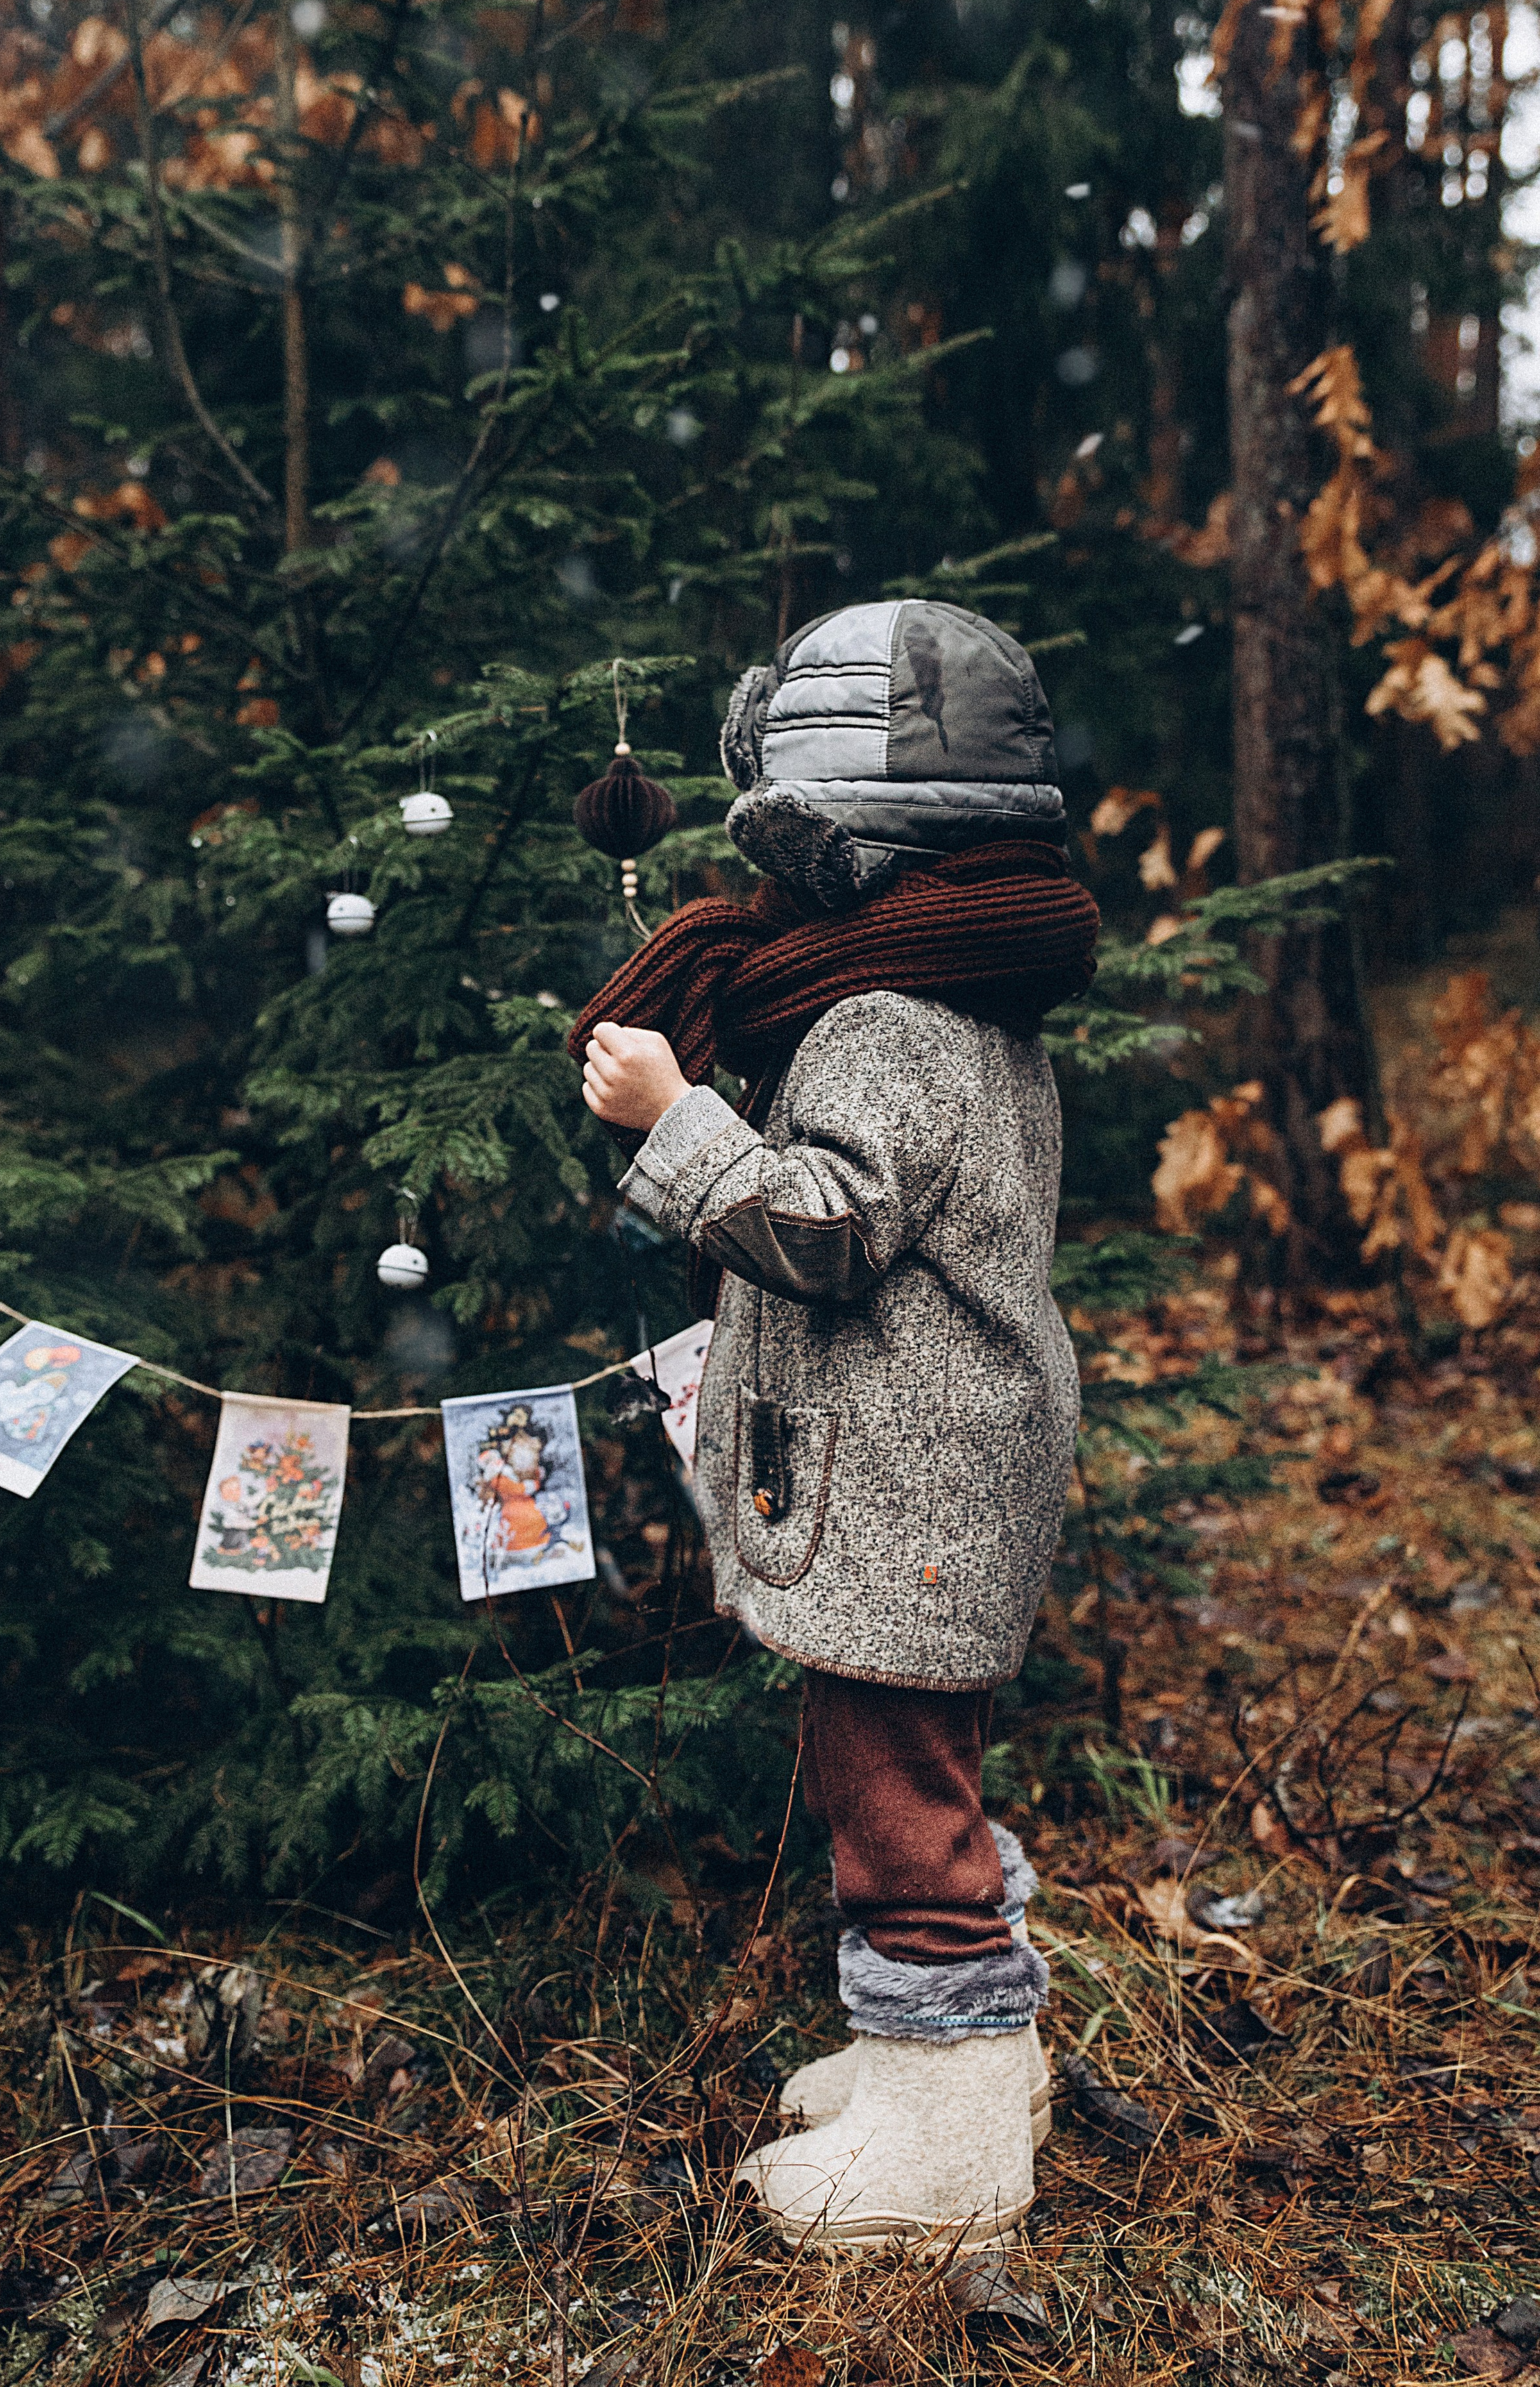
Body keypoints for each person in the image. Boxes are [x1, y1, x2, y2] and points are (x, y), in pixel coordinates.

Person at [570, 597, 1099, 2257]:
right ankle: (943, 2065)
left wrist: (677, 1122)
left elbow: (827, 1228)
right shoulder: (971, 1008)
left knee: (894, 1804)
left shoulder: (883, 1028)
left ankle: (942, 2169)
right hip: (930, 1474)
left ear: (844, 852)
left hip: (910, 1483)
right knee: (901, 1775)